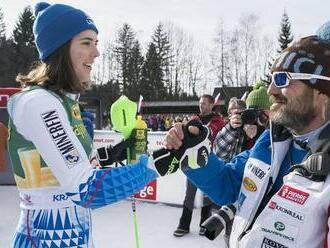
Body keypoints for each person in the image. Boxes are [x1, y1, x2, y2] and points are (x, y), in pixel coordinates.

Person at [7, 3, 157, 247]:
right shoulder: (39, 102)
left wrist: (110, 154)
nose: (97, 53)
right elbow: (87, 190)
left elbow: (64, 170)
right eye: (86, 42)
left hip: (74, 237)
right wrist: (158, 164)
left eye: (96, 43)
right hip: (45, 239)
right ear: (60, 49)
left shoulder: (64, 103)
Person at [163, 32, 330, 247]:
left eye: (282, 79)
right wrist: (195, 155)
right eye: (271, 79)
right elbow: (229, 184)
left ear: (322, 92)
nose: (271, 90)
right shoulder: (273, 140)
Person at [208, 82, 270, 246]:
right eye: (248, 113)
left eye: (257, 113)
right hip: (238, 194)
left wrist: (258, 135)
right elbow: (219, 153)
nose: (251, 118)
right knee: (232, 236)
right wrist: (231, 128)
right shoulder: (235, 131)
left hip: (262, 198)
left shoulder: (271, 132)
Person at [173, 94, 224, 237]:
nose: (201, 106)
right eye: (200, 103)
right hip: (192, 162)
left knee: (207, 195)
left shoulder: (218, 121)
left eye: (205, 103)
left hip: (209, 161)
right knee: (190, 194)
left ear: (212, 105)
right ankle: (183, 225)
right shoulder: (194, 119)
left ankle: (204, 224)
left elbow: (211, 133)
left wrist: (197, 130)